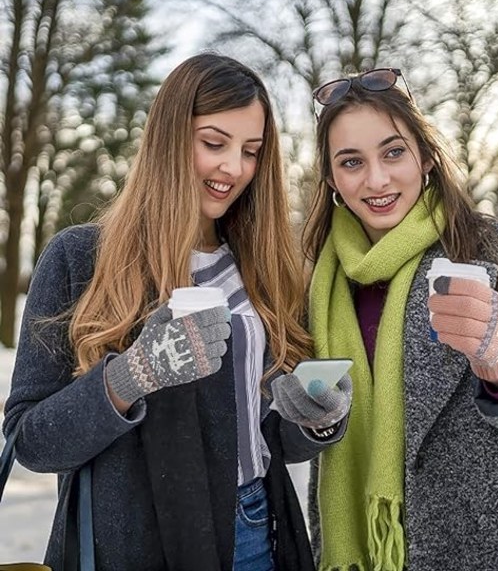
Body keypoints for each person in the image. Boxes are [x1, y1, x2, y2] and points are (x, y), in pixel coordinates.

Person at [2, 53, 352, 571]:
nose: (233, 168)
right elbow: (31, 442)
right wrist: (132, 375)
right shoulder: (82, 259)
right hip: (134, 546)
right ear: (168, 138)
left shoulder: (261, 269)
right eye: (214, 143)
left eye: (251, 151)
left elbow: (271, 442)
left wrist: (315, 419)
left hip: (256, 529)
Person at [302, 67, 498, 571]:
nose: (376, 179)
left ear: (425, 156)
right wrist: (309, 416)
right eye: (352, 162)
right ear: (332, 179)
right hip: (361, 553)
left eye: (393, 152)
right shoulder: (319, 281)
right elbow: (321, 429)